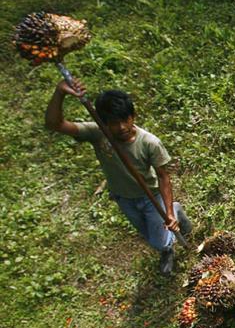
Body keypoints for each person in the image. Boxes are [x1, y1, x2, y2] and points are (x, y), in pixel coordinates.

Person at [44, 78, 191, 275]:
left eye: (125, 120)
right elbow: (55, 124)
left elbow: (163, 177)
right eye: (114, 123)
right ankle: (170, 226)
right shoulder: (98, 133)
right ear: (104, 123)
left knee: (158, 239)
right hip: (124, 198)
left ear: (133, 116)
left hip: (150, 196)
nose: (121, 127)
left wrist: (169, 216)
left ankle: (170, 231)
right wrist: (60, 92)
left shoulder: (149, 142)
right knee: (146, 234)